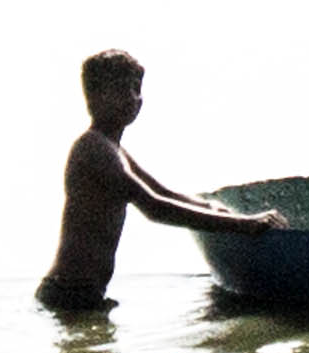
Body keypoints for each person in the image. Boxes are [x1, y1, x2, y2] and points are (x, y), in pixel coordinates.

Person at [37, 49, 282, 313]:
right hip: (68, 293)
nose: (134, 98)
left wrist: (209, 207)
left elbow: (164, 193)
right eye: (122, 89)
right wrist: (244, 224)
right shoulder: (94, 149)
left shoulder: (114, 150)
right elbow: (155, 207)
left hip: (84, 294)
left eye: (137, 89)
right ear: (95, 97)